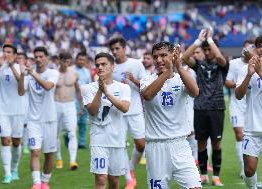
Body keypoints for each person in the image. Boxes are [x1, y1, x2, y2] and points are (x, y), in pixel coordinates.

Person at [140, 41, 201, 189]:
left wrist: (179, 67)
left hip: (180, 145)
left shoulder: (181, 78)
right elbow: (147, 95)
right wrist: (166, 73)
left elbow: (195, 92)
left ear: (173, 56)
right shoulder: (147, 79)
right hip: (156, 147)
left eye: (163, 55)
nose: (159, 60)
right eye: (156, 57)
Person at [182, 28, 228, 186]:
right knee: (201, 143)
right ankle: (203, 174)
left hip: (217, 108)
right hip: (200, 108)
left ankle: (216, 176)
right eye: (205, 50)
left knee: (216, 143)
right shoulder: (199, 65)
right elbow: (185, 57)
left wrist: (209, 40)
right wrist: (198, 41)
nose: (208, 53)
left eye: (210, 50)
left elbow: (220, 58)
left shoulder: (222, 65)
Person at [81, 52, 131, 189]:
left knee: (114, 181)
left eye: (104, 64)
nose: (100, 67)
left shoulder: (123, 87)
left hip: (117, 140)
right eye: (97, 65)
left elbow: (125, 108)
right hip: (99, 140)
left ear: (113, 67)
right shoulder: (87, 88)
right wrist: (100, 90)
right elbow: (92, 111)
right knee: (101, 179)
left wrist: (107, 93)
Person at [18, 46, 59, 189]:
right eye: (36, 57)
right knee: (35, 152)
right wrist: (23, 75)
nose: (38, 59)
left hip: (50, 120)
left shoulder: (53, 73)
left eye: (41, 56)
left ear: (47, 58)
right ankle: (36, 184)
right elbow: (21, 92)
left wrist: (32, 73)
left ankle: (44, 182)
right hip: (33, 121)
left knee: (48, 155)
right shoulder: (29, 75)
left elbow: (48, 86)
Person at [109, 36, 146, 189]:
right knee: (120, 146)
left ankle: (130, 168)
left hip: (135, 110)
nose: (115, 52)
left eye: (117, 48)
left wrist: (133, 80)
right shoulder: (111, 67)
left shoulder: (136, 64)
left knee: (141, 145)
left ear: (124, 48)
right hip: (118, 113)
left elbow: (145, 86)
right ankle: (128, 179)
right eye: (112, 49)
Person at [0, 44, 26, 184]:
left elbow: (20, 84)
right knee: (5, 141)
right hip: (2, 111)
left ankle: (15, 169)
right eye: (4, 51)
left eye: (9, 52)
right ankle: (7, 174)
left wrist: (11, 66)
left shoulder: (19, 68)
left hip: (18, 111)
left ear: (15, 55)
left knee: (16, 142)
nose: (6, 54)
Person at [235, 35, 262, 189]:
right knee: (249, 169)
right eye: (259, 46)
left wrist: (259, 71)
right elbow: (238, 95)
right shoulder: (245, 69)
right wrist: (249, 74)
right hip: (251, 126)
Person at [225, 40, 255, 178]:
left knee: (250, 136)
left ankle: (249, 165)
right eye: (247, 46)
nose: (248, 49)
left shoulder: (258, 64)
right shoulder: (234, 63)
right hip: (236, 104)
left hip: (252, 106)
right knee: (239, 135)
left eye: (252, 47)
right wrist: (241, 83)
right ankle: (244, 168)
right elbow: (227, 81)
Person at [54, 52, 81, 170]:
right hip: (56, 104)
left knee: (72, 132)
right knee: (55, 133)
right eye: (64, 61)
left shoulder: (74, 73)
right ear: (59, 60)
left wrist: (81, 106)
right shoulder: (54, 73)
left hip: (70, 105)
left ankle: (72, 161)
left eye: (68, 61)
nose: (66, 64)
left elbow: (78, 90)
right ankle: (58, 158)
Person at [75, 51, 92, 149]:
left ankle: (81, 143)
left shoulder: (87, 72)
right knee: (74, 123)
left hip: (84, 100)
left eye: (83, 60)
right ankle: (68, 137)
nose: (81, 61)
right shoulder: (71, 70)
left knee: (83, 123)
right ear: (76, 59)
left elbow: (89, 86)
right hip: (72, 101)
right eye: (80, 59)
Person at [16, 52, 30, 155]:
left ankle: (25, 146)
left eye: (21, 58)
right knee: (16, 125)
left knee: (25, 125)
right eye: (18, 58)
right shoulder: (12, 70)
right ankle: (17, 144)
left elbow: (24, 89)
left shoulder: (28, 72)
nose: (19, 60)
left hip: (25, 103)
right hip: (14, 103)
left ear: (25, 60)